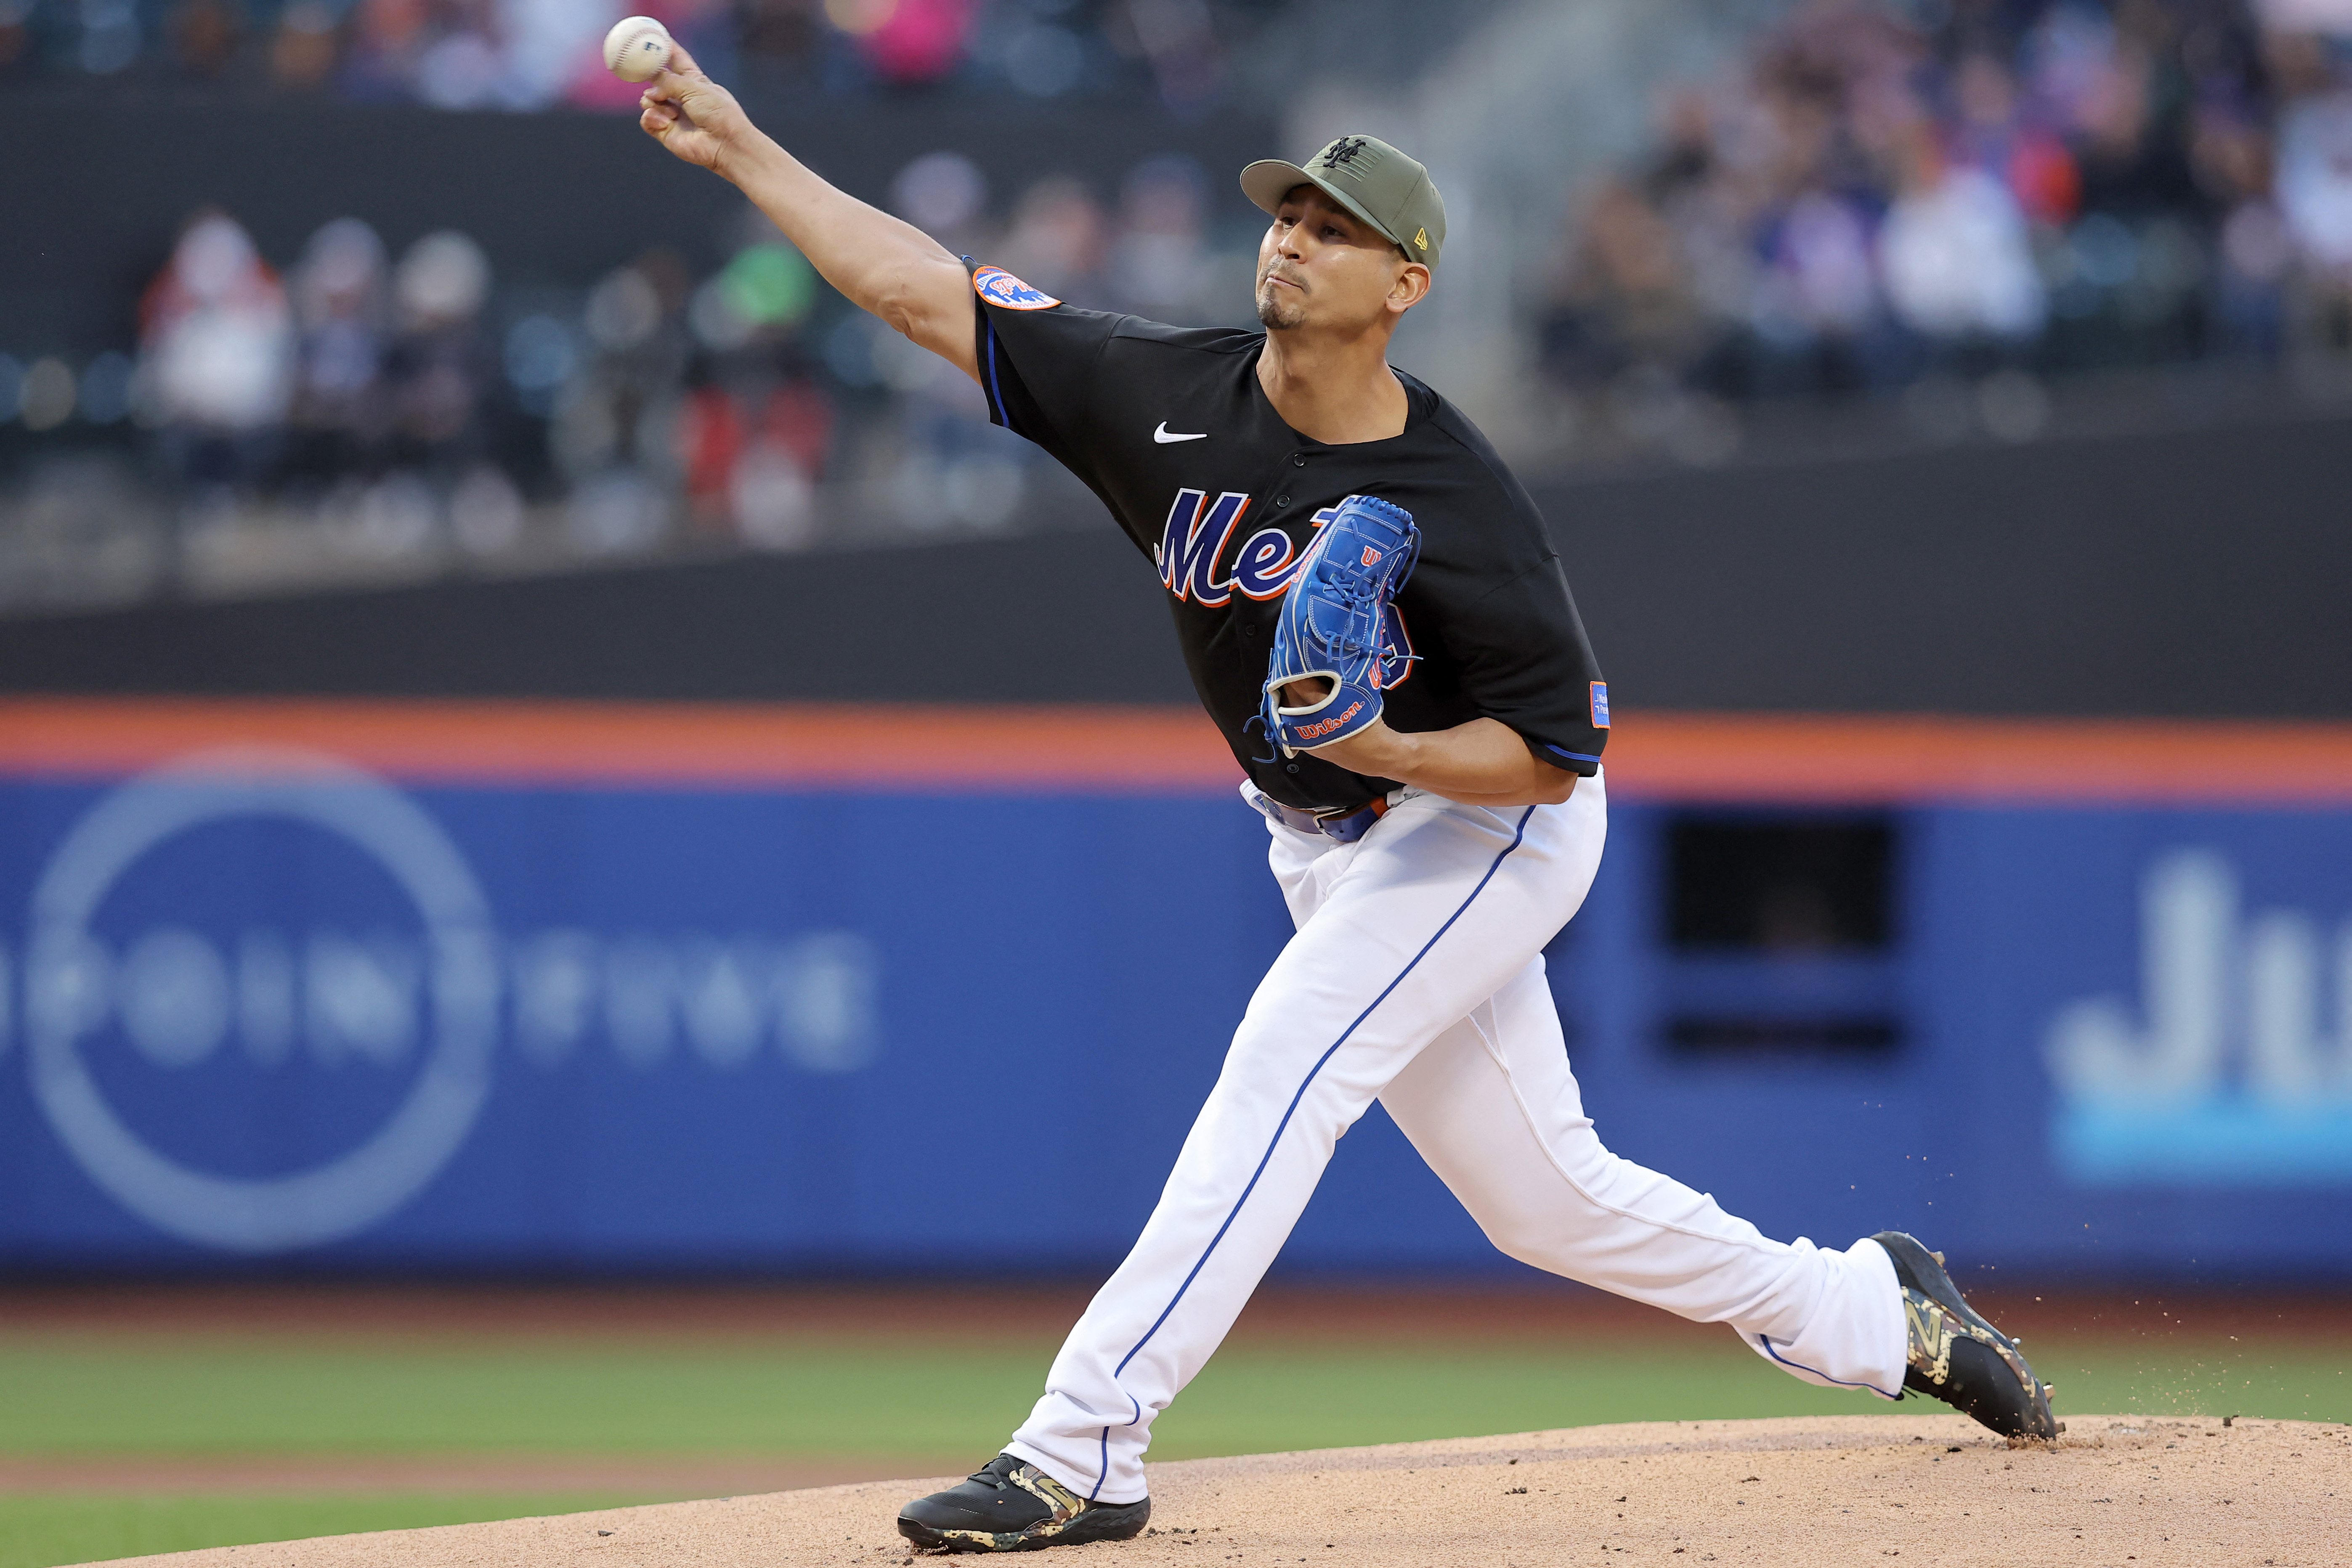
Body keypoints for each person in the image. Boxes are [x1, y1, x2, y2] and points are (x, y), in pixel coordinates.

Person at [634, 49, 2058, 1555]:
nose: (1292, 239)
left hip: (1481, 821)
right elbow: (925, 291)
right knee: (1544, 1204)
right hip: (1316, 835)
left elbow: (1553, 753)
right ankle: (1868, 1309)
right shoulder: (1163, 393)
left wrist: (1385, 753)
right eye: (1287, 214)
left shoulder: (1460, 497)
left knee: (1287, 1059)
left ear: (1408, 283)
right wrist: (745, 149)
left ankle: (1083, 1447)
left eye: (1334, 228)